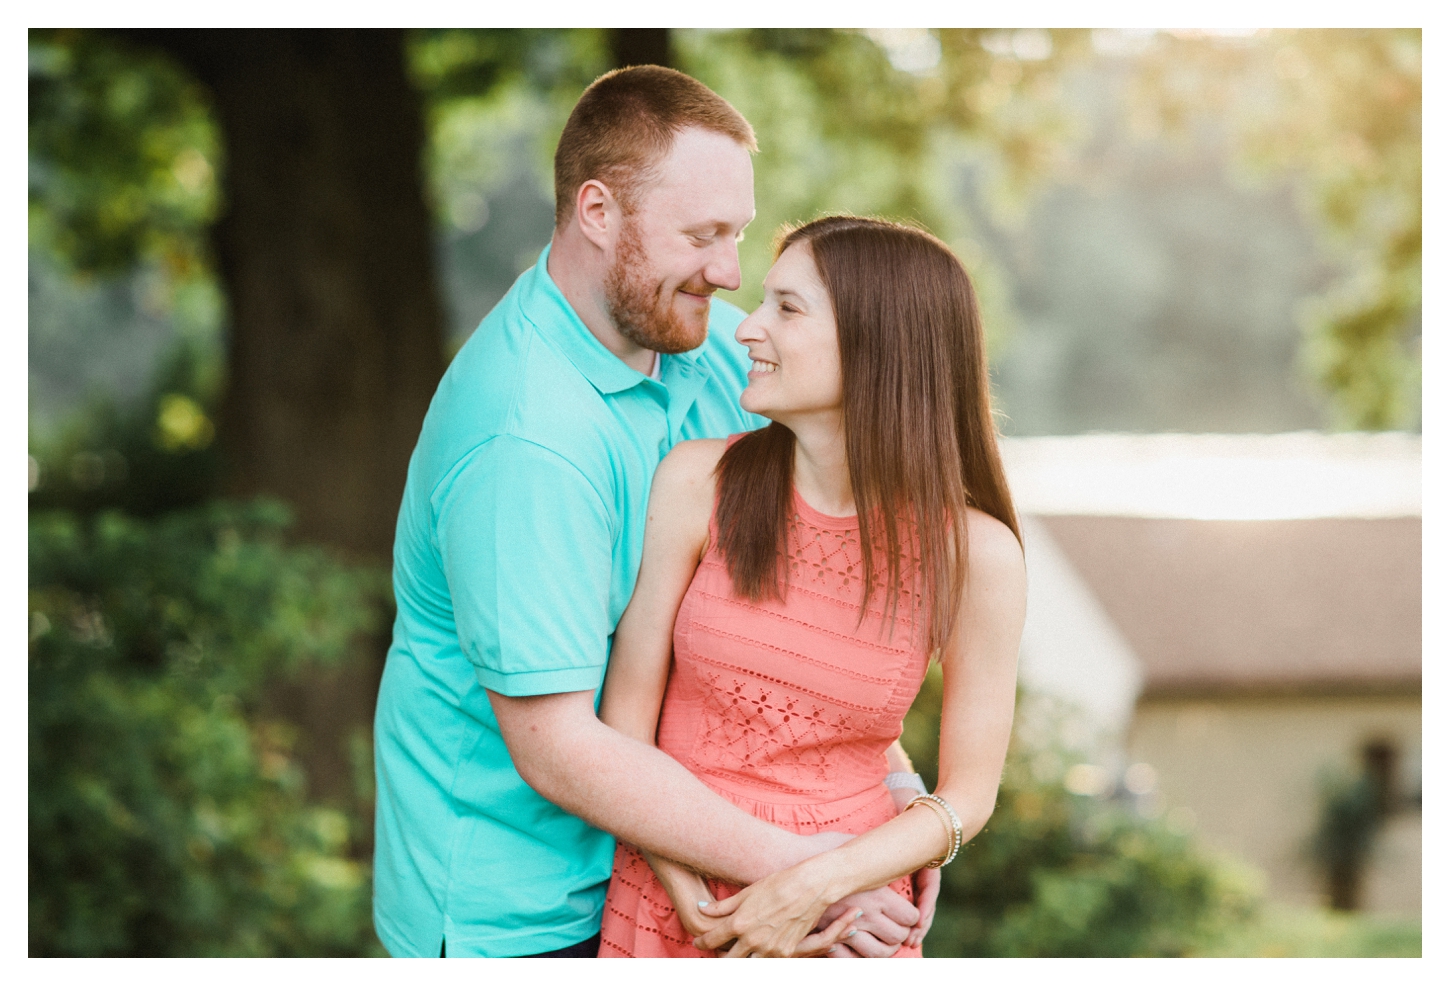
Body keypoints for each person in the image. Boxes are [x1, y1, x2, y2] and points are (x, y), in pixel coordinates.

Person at [372, 66, 933, 959]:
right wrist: (816, 876)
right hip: (521, 906)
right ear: (597, 213)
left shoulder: (704, 341)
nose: (730, 272)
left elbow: (818, 563)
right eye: (704, 235)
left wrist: (894, 792)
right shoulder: (527, 442)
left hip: (681, 862)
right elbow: (556, 747)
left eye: (739, 233)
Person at [596, 215, 1028, 957]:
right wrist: (689, 895)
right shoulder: (698, 481)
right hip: (672, 900)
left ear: (879, 344)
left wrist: (821, 885)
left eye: (787, 310)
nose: (747, 330)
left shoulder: (977, 556)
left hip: (848, 925)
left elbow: (967, 795)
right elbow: (624, 731)